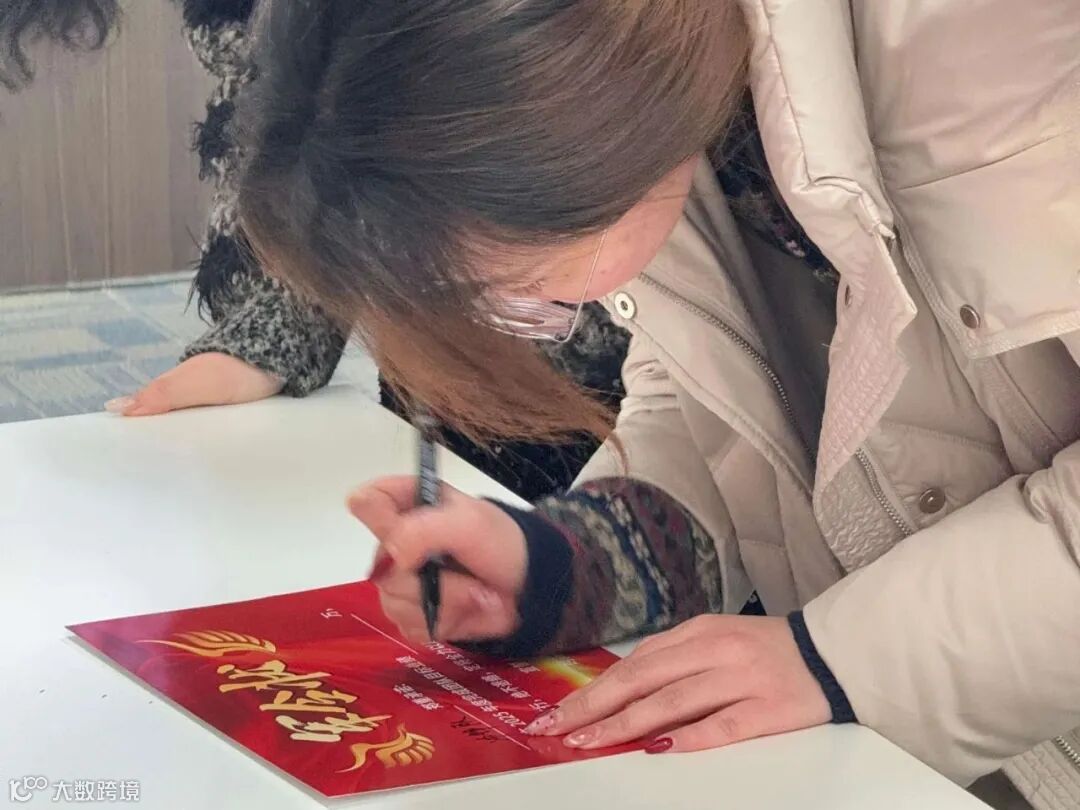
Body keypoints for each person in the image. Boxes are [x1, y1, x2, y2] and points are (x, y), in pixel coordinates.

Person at [221, 2, 1080, 809]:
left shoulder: (1006, 47)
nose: (535, 318)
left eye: (517, 292)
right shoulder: (667, 117)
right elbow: (735, 399)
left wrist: (851, 661)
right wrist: (569, 564)